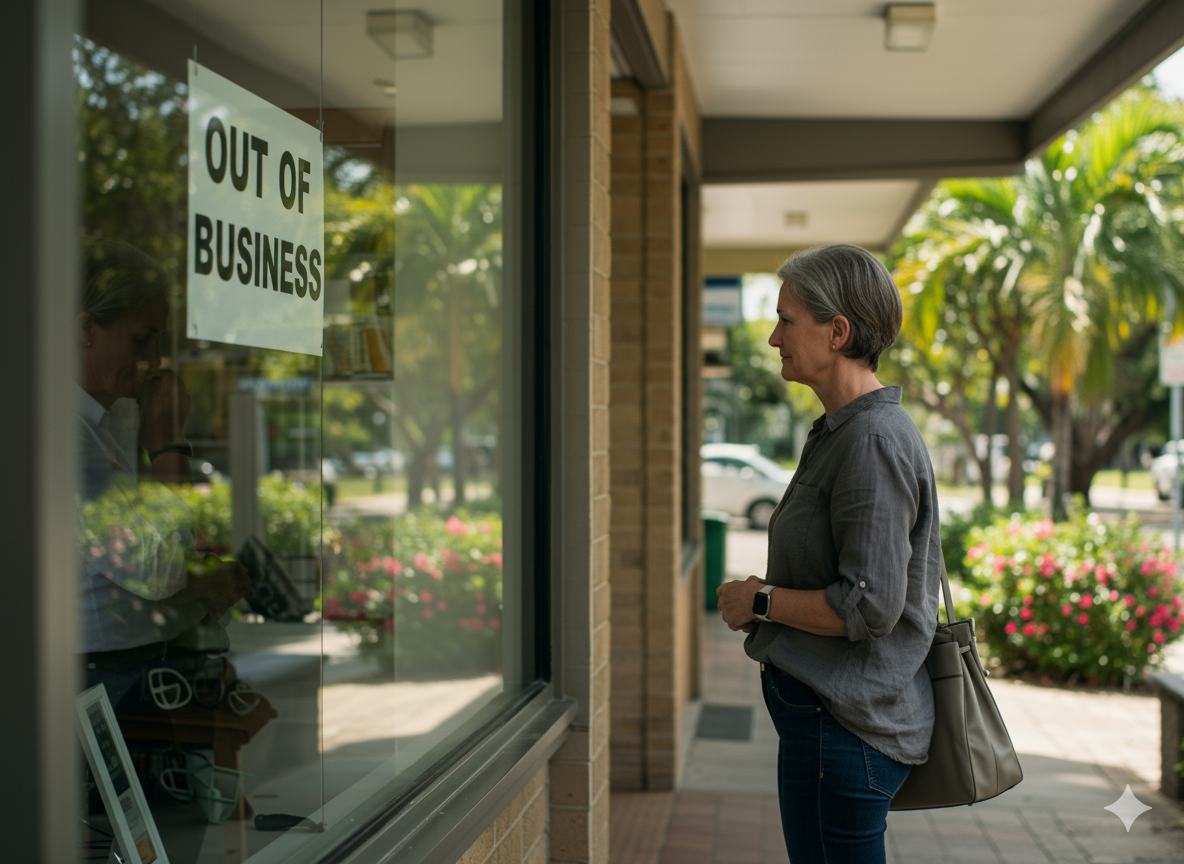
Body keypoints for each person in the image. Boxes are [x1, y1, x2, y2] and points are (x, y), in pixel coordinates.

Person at [715, 244, 940, 864]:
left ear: (837, 332)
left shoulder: (869, 441)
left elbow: (866, 609)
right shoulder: (845, 429)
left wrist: (759, 599)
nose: (772, 337)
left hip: (841, 733)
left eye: (787, 320)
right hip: (834, 728)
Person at [77, 238, 248, 708]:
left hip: (136, 668)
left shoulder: (113, 417)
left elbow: (174, 553)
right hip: (104, 677)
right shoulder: (64, 434)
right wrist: (168, 445)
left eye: (158, 341)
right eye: (140, 339)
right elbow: (155, 569)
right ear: (86, 329)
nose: (153, 359)